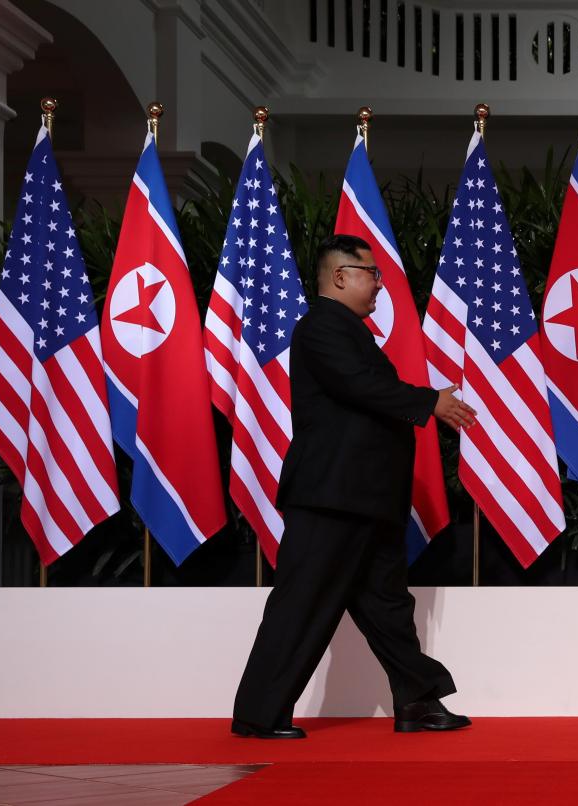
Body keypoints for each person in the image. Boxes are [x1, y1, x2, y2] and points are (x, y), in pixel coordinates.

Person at [232, 234, 478, 739]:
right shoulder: (321, 326)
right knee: (301, 601)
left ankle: (417, 703)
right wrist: (429, 401)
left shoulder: (349, 331)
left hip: (367, 499)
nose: (380, 286)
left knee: (388, 606)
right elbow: (359, 385)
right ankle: (258, 714)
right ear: (340, 276)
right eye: (372, 274)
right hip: (331, 498)